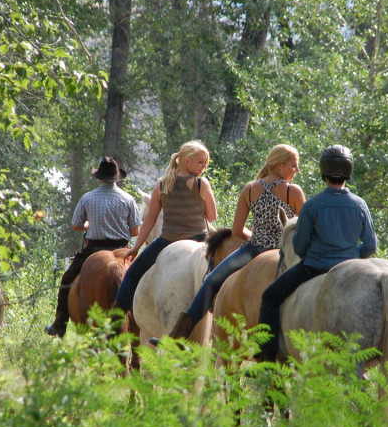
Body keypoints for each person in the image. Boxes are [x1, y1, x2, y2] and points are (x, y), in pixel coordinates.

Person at [150, 144, 307, 344]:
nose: (297, 171)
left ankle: (179, 335)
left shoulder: (250, 189)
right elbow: (303, 228)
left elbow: (237, 231)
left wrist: (257, 237)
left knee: (211, 281)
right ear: (279, 165)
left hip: (253, 249)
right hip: (285, 252)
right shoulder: (292, 191)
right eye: (293, 166)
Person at [256, 145, 378, 361]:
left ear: (323, 173)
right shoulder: (360, 205)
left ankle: (266, 355)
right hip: (350, 269)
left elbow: (300, 247)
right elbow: (370, 245)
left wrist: (319, 251)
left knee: (270, 296)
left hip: (314, 267)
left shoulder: (312, 206)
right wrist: (350, 253)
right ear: (348, 174)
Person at [113, 140, 217, 315]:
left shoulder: (162, 184)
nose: (204, 167)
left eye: (205, 163)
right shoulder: (202, 184)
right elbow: (212, 216)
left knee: (131, 275)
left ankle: (114, 322)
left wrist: (136, 247)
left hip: (167, 241)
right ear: (186, 161)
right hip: (200, 239)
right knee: (224, 274)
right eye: (200, 162)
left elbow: (150, 220)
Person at [45, 156, 142, 337]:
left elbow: (75, 225)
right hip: (122, 249)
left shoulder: (87, 198)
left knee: (67, 279)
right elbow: (135, 231)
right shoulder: (128, 199)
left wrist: (89, 226)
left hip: (94, 249)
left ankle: (60, 323)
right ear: (117, 178)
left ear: (99, 177)